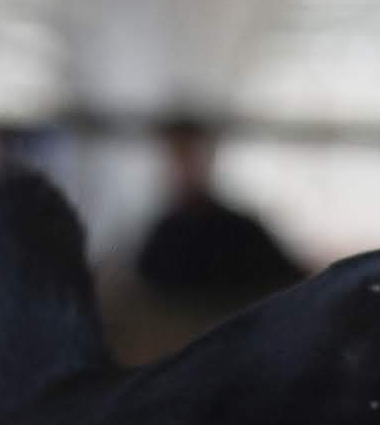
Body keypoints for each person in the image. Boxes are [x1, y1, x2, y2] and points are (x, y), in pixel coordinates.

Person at [128, 119, 309, 315]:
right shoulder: (163, 236)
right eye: (176, 158)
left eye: (189, 156)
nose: (182, 169)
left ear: (208, 160)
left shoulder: (241, 232)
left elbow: (291, 285)